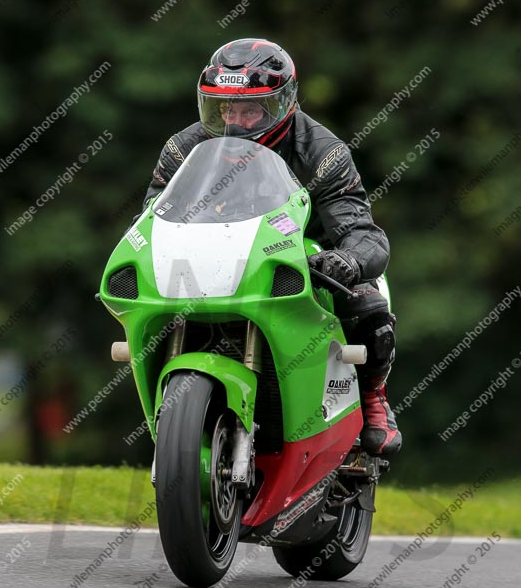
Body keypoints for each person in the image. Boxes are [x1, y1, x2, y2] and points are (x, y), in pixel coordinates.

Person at [142, 38, 401, 456]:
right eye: (227, 108)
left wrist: (348, 259)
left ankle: (373, 396)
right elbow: (153, 216)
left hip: (304, 256)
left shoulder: (322, 152)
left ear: (283, 104)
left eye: (251, 109)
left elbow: (362, 231)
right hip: (214, 255)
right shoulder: (183, 148)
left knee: (369, 303)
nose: (237, 121)